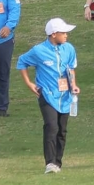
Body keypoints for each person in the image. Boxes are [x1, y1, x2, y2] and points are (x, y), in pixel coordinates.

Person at [16, 19, 79, 174]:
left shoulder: (69, 49)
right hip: (47, 95)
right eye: (63, 33)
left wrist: (74, 85)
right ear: (53, 34)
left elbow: (70, 68)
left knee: (62, 130)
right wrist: (29, 83)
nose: (66, 36)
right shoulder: (38, 51)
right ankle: (50, 163)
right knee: (51, 126)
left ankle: (57, 162)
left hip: (65, 96)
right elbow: (22, 62)